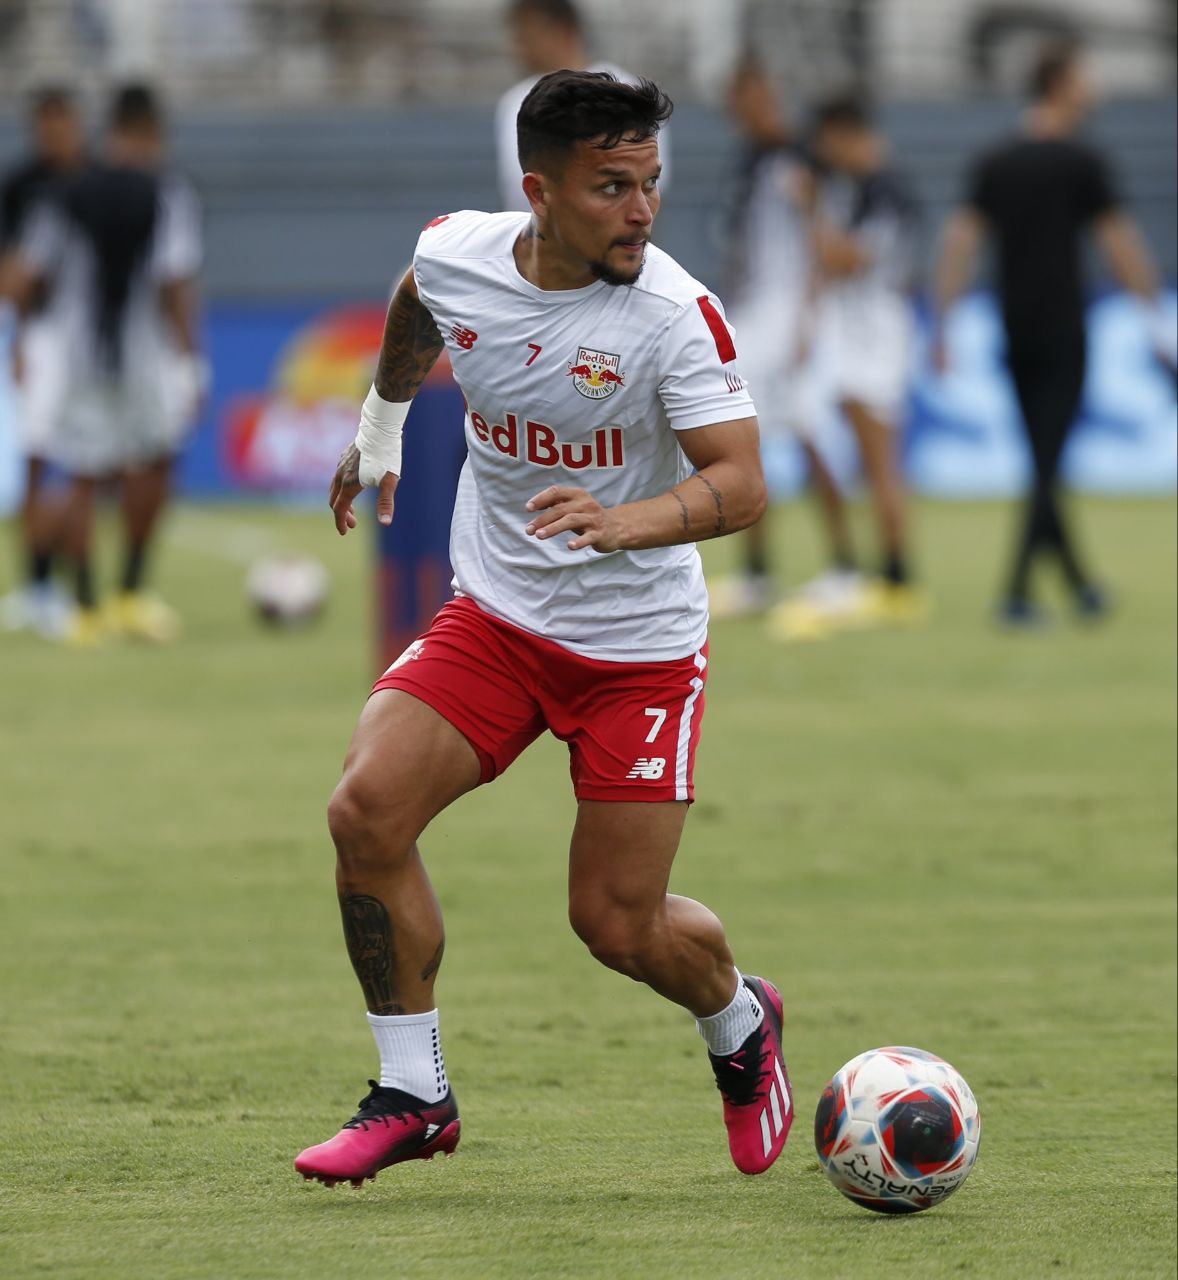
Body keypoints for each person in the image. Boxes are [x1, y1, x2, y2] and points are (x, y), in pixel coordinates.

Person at [296, 70, 793, 1188]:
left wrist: (628, 523)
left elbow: (746, 484)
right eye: (610, 185)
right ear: (539, 192)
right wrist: (380, 426)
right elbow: (420, 298)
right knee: (363, 811)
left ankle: (736, 1020)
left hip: (636, 652)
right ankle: (413, 1092)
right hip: (500, 614)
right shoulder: (460, 249)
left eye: (650, 184)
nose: (639, 209)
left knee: (615, 925)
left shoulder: (671, 314)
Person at [934, 39, 1170, 625]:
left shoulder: (998, 159)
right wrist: (1154, 315)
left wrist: (943, 321)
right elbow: (1121, 244)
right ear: (1061, 83)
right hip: (1065, 327)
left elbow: (960, 241)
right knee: (1046, 461)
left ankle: (1079, 584)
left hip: (1013, 325)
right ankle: (1015, 594)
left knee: (1043, 458)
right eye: (1083, 77)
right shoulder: (1082, 161)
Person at [7, 84, 204, 646]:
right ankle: (131, 594)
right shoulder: (166, 192)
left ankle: (84, 605)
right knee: (154, 462)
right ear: (154, 133)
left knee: (80, 473)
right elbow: (174, 283)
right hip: (146, 358)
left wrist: (24, 333)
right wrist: (190, 362)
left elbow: (25, 277)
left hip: (75, 359)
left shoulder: (63, 196)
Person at [708, 59, 862, 626]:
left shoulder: (804, 161)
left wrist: (810, 316)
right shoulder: (748, 163)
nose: (749, 108)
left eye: (756, 95)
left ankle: (848, 565)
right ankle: (758, 573)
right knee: (744, 444)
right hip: (750, 320)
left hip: (792, 320)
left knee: (811, 434)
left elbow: (825, 246)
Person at [799, 91, 924, 627]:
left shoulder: (885, 190)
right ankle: (855, 569)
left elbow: (846, 259)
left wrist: (810, 210)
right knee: (827, 441)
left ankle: (896, 578)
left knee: (877, 456)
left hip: (877, 333)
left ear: (848, 132)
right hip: (851, 332)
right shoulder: (862, 187)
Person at [0, 86, 87, 638]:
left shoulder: (95, 181)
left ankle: (81, 586)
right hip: (39, 336)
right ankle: (35, 584)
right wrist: (18, 339)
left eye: (61, 122)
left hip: (92, 339)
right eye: (44, 124)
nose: (52, 133)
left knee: (85, 463)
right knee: (36, 458)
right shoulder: (21, 186)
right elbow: (13, 268)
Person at [495, 0, 669, 212]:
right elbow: (514, 197)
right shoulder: (514, 102)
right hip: (540, 238)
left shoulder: (626, 90)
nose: (518, 47)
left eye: (525, 35)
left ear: (561, 30)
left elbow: (650, 188)